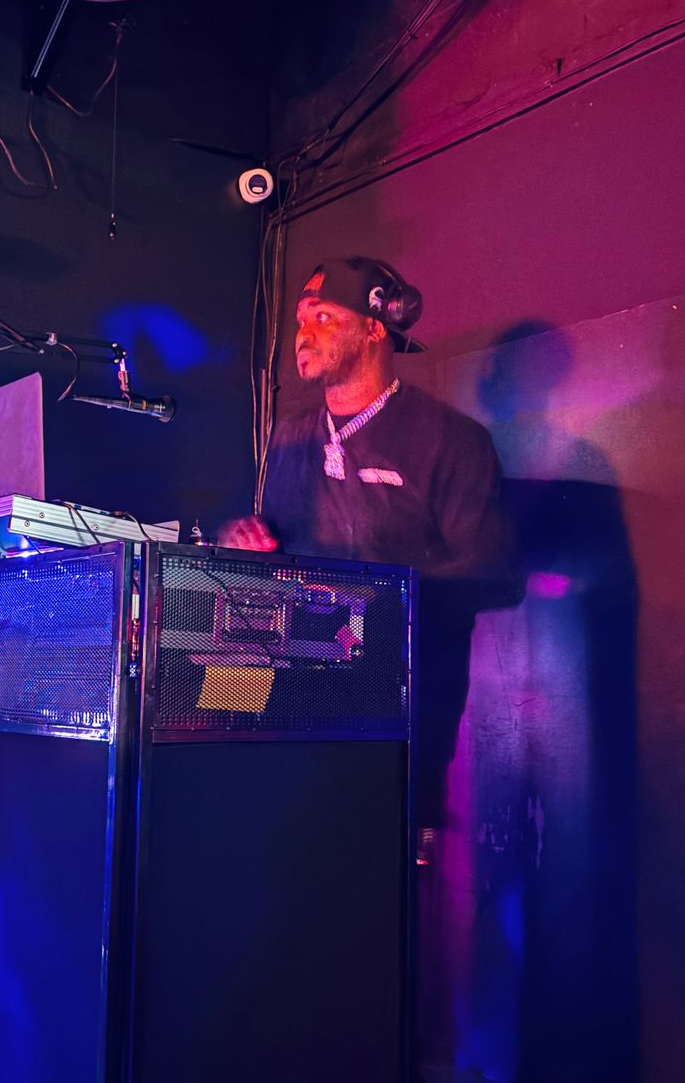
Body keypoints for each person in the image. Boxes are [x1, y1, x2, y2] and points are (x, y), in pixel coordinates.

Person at [220, 256, 518, 796]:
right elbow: (274, 550)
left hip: (396, 711)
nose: (303, 334)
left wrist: (367, 599)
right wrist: (239, 546)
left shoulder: (451, 440)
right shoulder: (289, 436)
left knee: (374, 835)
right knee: (259, 816)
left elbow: (492, 574)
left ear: (375, 328)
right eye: (301, 320)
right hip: (283, 696)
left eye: (323, 317)